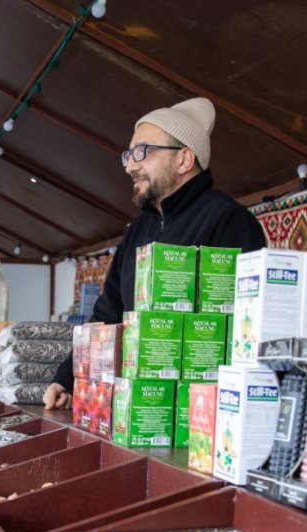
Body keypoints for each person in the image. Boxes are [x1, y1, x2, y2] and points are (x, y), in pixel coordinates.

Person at [44, 97, 267, 409]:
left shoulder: (227, 220)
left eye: (142, 152)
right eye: (128, 154)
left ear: (184, 159)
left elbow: (248, 323)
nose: (130, 165)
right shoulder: (137, 231)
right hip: (140, 407)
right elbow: (106, 316)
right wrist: (67, 378)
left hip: (203, 406)